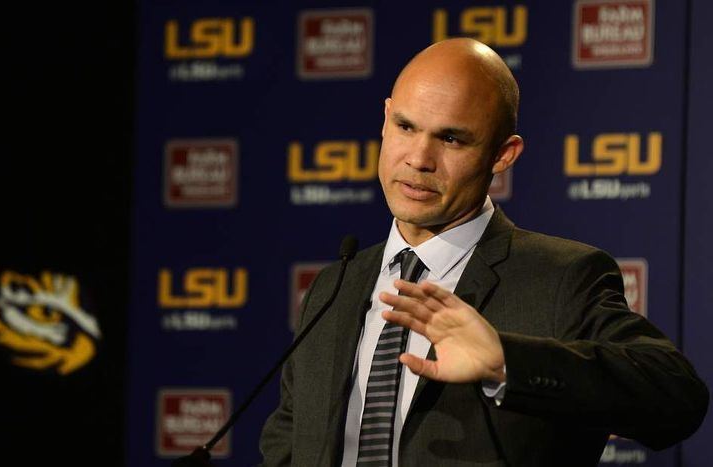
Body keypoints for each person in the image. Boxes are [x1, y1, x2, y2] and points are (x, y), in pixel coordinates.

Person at [259, 38, 709, 466]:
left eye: (451, 139)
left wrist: (504, 361)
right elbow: (289, 446)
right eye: (406, 126)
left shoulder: (561, 277)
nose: (418, 158)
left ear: (503, 155)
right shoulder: (336, 285)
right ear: (385, 118)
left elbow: (675, 397)